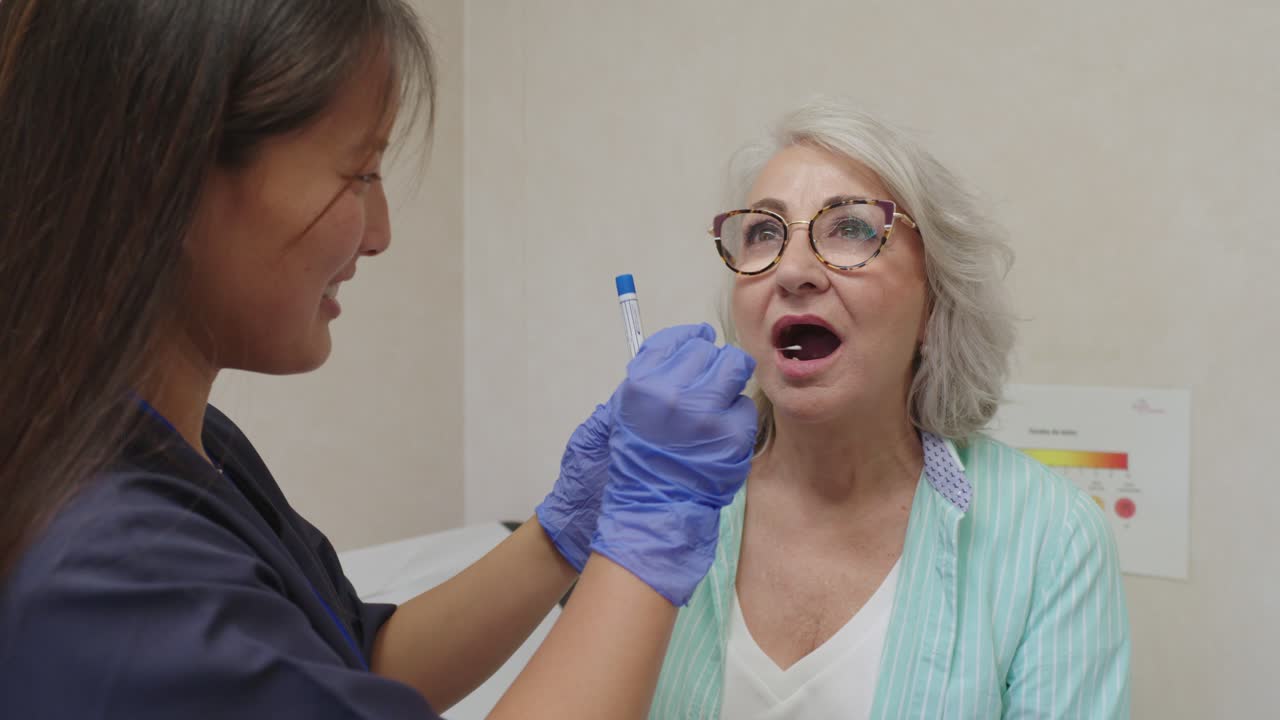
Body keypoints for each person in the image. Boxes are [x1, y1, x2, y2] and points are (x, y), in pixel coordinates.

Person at [0, 2, 758, 718]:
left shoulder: (184, 442)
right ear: (167, 178)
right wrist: (644, 542)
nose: (381, 232)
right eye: (358, 173)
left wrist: (564, 529)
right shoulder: (115, 584)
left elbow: (354, 667)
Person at [648, 99, 1131, 719]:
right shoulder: (672, 504)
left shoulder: (1052, 540)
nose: (792, 271)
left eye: (849, 227)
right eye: (764, 232)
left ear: (934, 302)